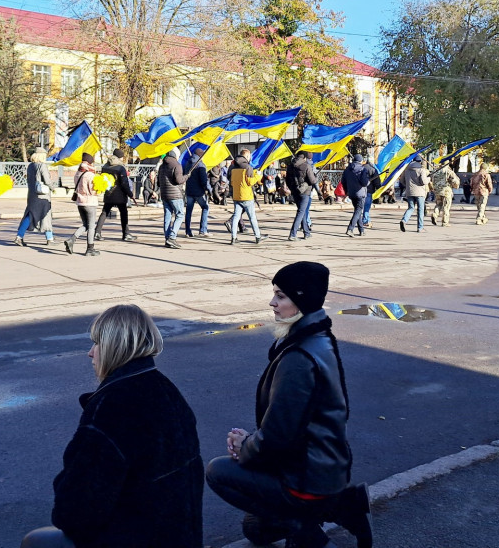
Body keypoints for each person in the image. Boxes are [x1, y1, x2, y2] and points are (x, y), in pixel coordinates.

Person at [205, 262, 373, 548]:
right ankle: (340, 506)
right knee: (255, 530)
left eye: (281, 296)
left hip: (307, 475)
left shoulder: (299, 357)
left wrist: (244, 444)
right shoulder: (317, 338)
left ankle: (309, 532)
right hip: (321, 466)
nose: (272, 302)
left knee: (217, 472)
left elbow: (278, 436)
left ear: (301, 300)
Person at [20, 304, 203, 548]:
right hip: (180, 536)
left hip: (139, 537)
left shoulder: (112, 407)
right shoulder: (166, 389)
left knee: (36, 542)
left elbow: (73, 512)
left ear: (114, 347)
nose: (90, 353)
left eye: (97, 343)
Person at [15, 149, 57, 247]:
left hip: (32, 194)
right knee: (45, 215)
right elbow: (47, 180)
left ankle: (19, 236)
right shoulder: (42, 166)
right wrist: (53, 187)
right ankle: (50, 239)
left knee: (30, 215)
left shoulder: (30, 166)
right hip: (42, 196)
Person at [96, 148, 137, 242]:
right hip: (119, 195)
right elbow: (124, 183)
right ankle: (126, 234)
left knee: (104, 212)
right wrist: (130, 194)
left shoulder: (105, 166)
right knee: (123, 213)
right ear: (120, 157)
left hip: (108, 193)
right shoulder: (120, 168)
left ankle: (97, 232)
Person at [64, 153, 99, 257]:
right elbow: (93, 191)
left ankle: (72, 240)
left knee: (86, 225)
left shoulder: (78, 173)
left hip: (80, 202)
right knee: (91, 226)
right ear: (89, 162)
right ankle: (90, 249)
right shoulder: (90, 175)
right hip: (90, 202)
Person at [228, 149, 263, 244]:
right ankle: (258, 236)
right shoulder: (248, 167)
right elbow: (250, 182)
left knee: (236, 217)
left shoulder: (232, 167)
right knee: (252, 217)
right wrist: (258, 176)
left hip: (236, 195)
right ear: (247, 156)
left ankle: (233, 238)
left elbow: (230, 181)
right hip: (247, 196)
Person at [159, 148, 189, 249]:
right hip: (175, 195)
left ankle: (167, 238)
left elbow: (158, 182)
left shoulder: (162, 166)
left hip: (164, 194)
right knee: (180, 215)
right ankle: (172, 237)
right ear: (175, 156)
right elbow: (179, 180)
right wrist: (186, 176)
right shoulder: (177, 165)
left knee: (167, 216)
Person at [285, 151, 318, 241]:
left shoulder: (290, 166)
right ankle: (293, 234)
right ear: (304, 158)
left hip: (295, 192)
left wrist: (292, 188)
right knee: (301, 212)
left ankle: (306, 233)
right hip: (305, 192)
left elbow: (287, 180)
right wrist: (315, 177)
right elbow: (312, 181)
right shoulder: (306, 166)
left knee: (301, 211)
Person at [341, 154, 371, 237]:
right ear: (361, 161)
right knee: (358, 211)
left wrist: (347, 191)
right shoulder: (362, 169)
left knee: (357, 211)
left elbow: (343, 181)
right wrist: (368, 182)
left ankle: (361, 230)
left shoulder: (347, 169)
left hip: (351, 193)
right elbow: (364, 183)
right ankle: (350, 229)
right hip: (360, 193)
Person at [184, 147, 211, 238]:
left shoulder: (188, 163)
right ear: (201, 155)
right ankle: (203, 230)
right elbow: (204, 180)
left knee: (188, 211)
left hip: (189, 191)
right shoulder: (200, 165)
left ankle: (188, 231)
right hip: (199, 192)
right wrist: (209, 189)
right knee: (205, 207)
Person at [399, 156, 430, 232]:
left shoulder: (406, 170)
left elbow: (402, 180)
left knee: (411, 208)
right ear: (420, 162)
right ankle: (420, 227)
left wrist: (407, 186)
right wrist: (429, 178)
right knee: (420, 209)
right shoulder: (421, 170)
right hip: (420, 192)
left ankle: (404, 220)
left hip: (409, 191)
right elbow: (424, 181)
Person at [429, 162, 460, 227]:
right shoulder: (448, 171)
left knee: (438, 204)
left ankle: (435, 214)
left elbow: (431, 181)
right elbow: (455, 181)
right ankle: (445, 222)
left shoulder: (435, 171)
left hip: (437, 191)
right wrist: (456, 186)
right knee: (446, 206)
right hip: (446, 191)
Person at [361, 158, 380, 229]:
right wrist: (379, 187)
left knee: (360, 207)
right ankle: (365, 221)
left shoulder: (361, 168)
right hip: (369, 190)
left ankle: (363, 220)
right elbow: (376, 180)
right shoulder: (373, 170)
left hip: (360, 190)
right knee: (366, 207)